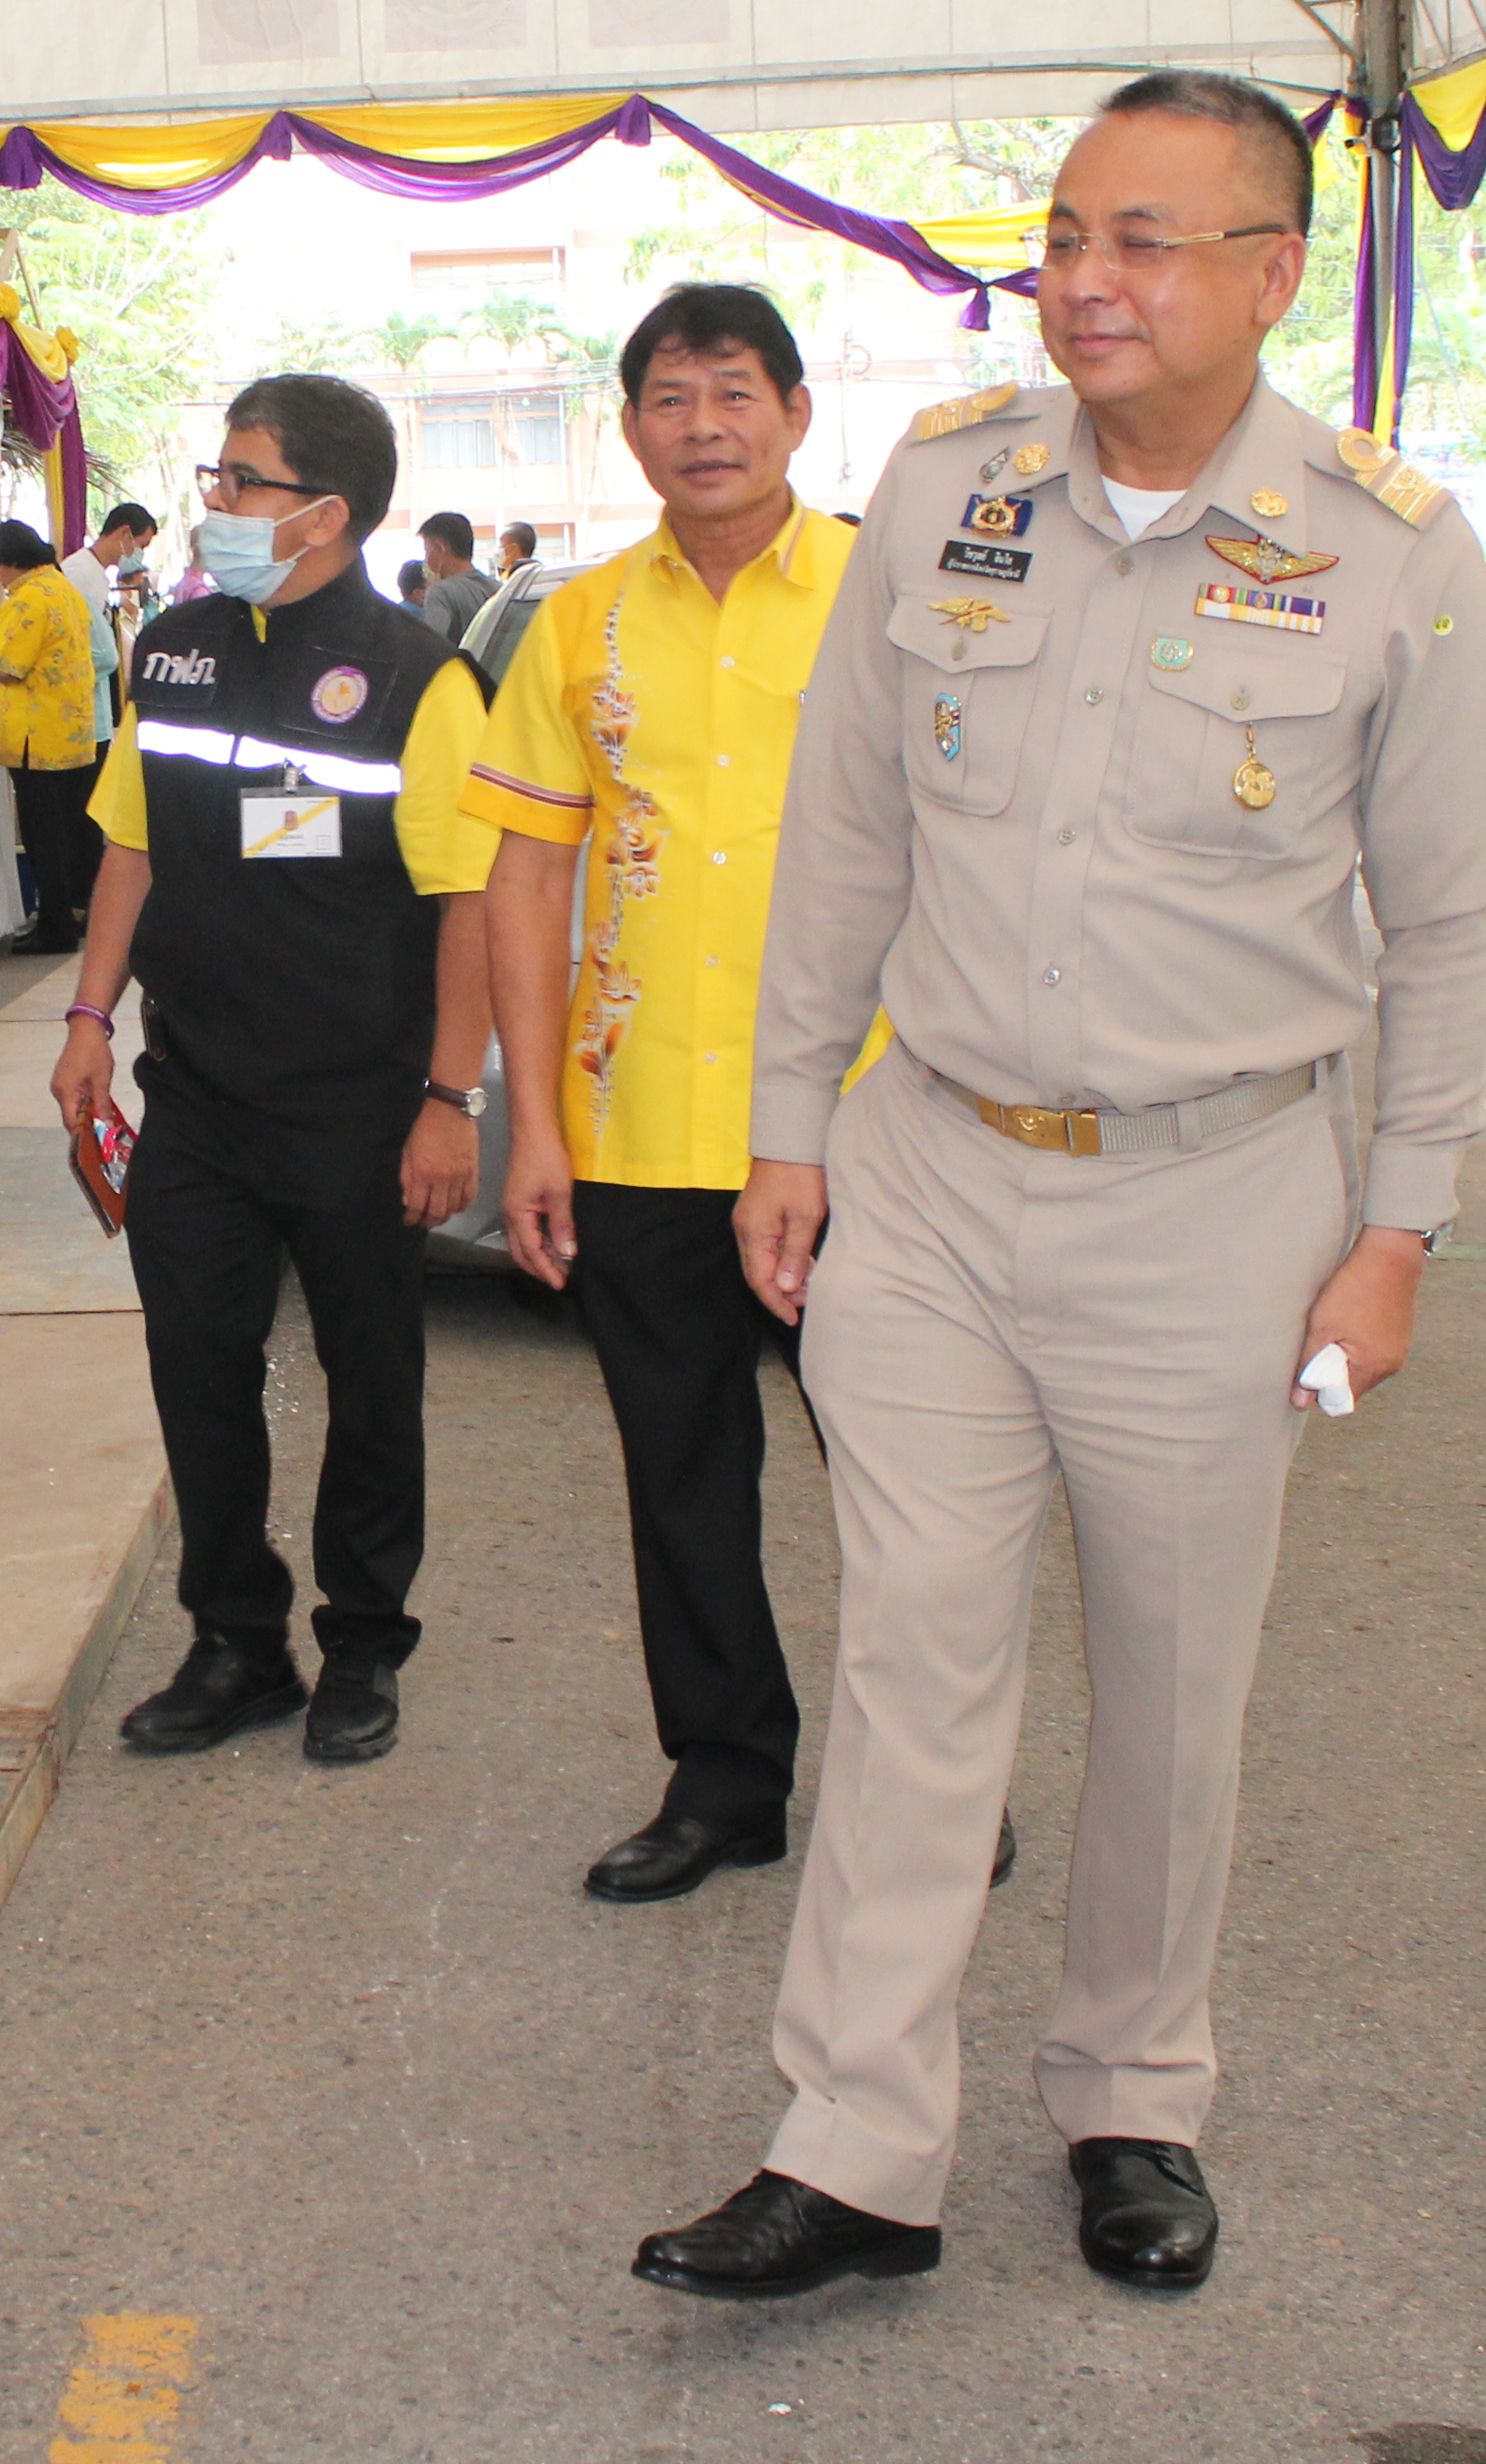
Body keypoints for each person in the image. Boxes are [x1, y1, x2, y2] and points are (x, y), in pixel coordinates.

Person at [635, 70, 1486, 2307]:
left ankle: (1131, 2086)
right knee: (912, 1656)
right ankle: (850, 2140)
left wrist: (1394, 1222)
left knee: (1166, 1676)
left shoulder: (1387, 545)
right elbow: (846, 828)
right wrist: (786, 1124)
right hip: (931, 1166)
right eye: (1063, 231)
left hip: (1216, 1194)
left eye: (1144, 238)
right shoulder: (949, 487)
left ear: (1266, 272)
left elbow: (1449, 917)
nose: (1085, 278)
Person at [49, 375, 491, 1767]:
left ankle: (365, 1641)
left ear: (328, 514)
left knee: (371, 1380)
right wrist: (84, 1019)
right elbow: (134, 842)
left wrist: (447, 1101)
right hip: (197, 1098)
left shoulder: (420, 678)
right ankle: (236, 1641)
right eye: (217, 476)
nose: (216, 503)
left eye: (242, 481)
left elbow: (468, 901)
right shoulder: (173, 648)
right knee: (198, 1372)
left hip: (360, 1106)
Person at [468, 284, 845, 1903]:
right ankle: (721, 1778)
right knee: (679, 1475)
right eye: (669, 398)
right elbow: (521, 882)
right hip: (634, 1131)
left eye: (733, 392)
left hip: (859, 1130)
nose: (703, 425)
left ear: (795, 413)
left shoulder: (884, 596)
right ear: (626, 429)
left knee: (916, 1492)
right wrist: (535, 1126)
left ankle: (933, 1779)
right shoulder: (575, 624)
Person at [0, 516, 103, 952]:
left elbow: (10, 666)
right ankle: (78, 911)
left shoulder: (28, 599)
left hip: (36, 736)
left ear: (13, 560)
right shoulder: (65, 590)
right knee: (73, 831)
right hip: (73, 731)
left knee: (43, 836)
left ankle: (55, 927)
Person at [66, 499, 158, 746]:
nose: (139, 554)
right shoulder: (79, 572)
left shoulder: (96, 573)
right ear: (124, 533)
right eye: (140, 545)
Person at [414, 510, 498, 640]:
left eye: (427, 550)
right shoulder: (499, 589)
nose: (426, 559)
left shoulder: (440, 592)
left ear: (439, 547)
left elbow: (433, 646)